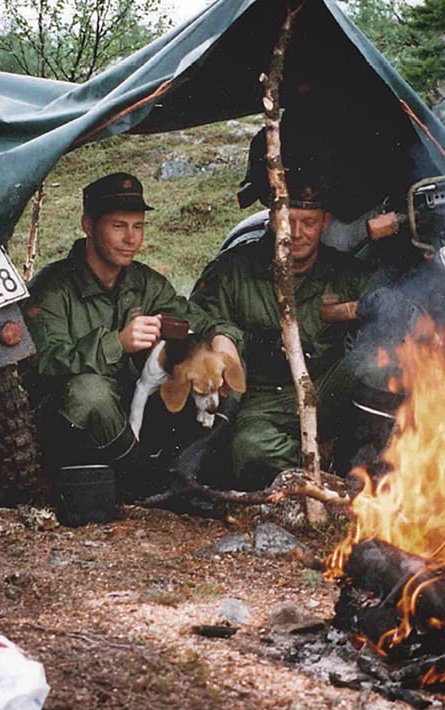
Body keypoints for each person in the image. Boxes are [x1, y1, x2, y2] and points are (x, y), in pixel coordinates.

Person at [23, 172, 241, 495]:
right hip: (70, 426)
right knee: (90, 392)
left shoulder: (145, 283)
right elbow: (41, 363)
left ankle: (188, 468)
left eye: (138, 227)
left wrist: (223, 340)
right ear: (88, 226)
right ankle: (142, 480)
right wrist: (117, 343)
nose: (131, 239)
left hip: (132, 416)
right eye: (118, 226)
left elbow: (200, 320)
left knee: (220, 367)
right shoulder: (53, 288)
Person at [190, 179, 370, 488]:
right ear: (271, 218)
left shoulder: (345, 273)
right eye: (287, 220)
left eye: (309, 223)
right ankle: (330, 469)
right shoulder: (233, 271)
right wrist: (224, 338)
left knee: (379, 356)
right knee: (250, 451)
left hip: (326, 387)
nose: (296, 234)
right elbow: (198, 319)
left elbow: (393, 309)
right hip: (263, 400)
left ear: (325, 223)